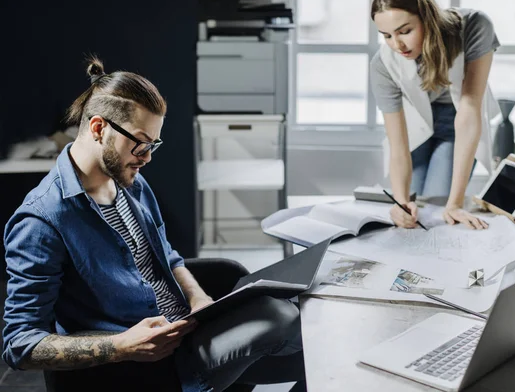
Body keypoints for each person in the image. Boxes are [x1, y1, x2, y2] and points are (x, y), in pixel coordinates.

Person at [2, 57, 305, 392]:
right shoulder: (42, 220)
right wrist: (122, 346)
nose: (146, 157)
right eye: (140, 142)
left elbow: (166, 256)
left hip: (188, 329)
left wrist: (198, 298)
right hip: (148, 366)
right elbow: (21, 343)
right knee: (280, 321)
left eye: (153, 144)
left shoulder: (130, 182)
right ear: (99, 128)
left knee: (308, 333)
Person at [371, 0, 501, 230]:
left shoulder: (474, 26)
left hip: (457, 118)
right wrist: (400, 203)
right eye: (387, 36)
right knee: (416, 210)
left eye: (405, 31)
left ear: (426, 18)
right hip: (415, 127)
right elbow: (398, 144)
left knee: (440, 210)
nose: (397, 45)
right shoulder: (382, 65)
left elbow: (469, 108)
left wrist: (455, 204)